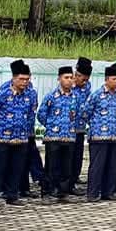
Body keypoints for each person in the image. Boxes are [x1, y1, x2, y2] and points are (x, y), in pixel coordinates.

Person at [0, 62, 38, 208]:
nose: (24, 83)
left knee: (17, 168)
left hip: (21, 137)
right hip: (2, 137)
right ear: (14, 78)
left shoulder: (30, 95)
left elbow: (31, 114)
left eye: (27, 79)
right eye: (21, 79)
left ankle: (12, 194)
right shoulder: (3, 94)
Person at [83, 63, 116, 202]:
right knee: (97, 167)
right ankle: (92, 193)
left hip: (114, 135)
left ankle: (108, 192)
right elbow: (86, 113)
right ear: (107, 79)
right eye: (115, 79)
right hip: (98, 136)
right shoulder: (97, 95)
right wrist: (96, 125)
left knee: (112, 166)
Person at [38, 68, 78, 203]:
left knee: (66, 166)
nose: (69, 80)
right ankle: (47, 192)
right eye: (66, 77)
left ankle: (63, 192)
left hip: (69, 136)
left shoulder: (75, 97)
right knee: (51, 166)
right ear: (59, 79)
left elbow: (78, 114)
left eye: (71, 77)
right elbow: (41, 114)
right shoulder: (51, 96)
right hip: (53, 137)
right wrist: (51, 126)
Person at [70, 58, 93, 195]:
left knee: (77, 158)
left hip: (80, 128)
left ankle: (73, 181)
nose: (77, 79)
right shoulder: (69, 87)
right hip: (67, 130)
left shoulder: (87, 88)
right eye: (77, 75)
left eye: (82, 78)